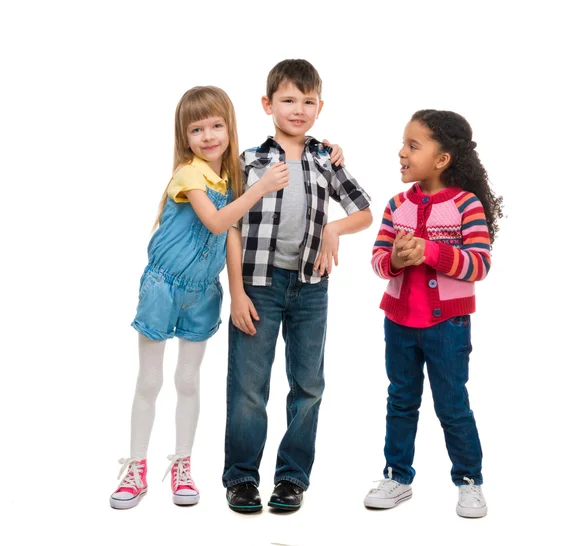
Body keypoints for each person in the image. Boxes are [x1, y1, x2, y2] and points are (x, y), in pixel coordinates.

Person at [109, 85, 291, 509]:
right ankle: (137, 466)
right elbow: (214, 222)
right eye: (197, 129)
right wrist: (259, 190)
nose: (208, 136)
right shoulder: (190, 174)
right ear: (184, 137)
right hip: (163, 287)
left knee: (188, 381)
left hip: (203, 292)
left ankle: (182, 464)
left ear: (229, 126)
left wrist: (237, 291)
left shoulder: (231, 179)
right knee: (150, 380)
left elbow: (232, 236)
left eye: (216, 125)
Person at [222, 58, 373, 513]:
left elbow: (365, 211)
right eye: (288, 100)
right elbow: (230, 225)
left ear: (320, 106)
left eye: (308, 101)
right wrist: (237, 292)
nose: (299, 109)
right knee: (249, 385)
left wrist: (334, 230)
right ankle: (242, 477)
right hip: (258, 284)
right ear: (268, 104)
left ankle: (291, 477)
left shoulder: (326, 158)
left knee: (308, 384)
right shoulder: (249, 160)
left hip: (311, 286)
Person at [364, 109, 503, 518]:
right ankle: (397, 476)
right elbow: (376, 260)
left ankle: (469, 481)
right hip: (399, 322)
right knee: (401, 400)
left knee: (452, 404)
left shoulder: (466, 205)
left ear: (442, 159)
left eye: (413, 145)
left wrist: (428, 251)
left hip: (448, 325)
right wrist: (396, 260)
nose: (402, 152)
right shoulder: (396, 205)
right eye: (403, 143)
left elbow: (479, 263)